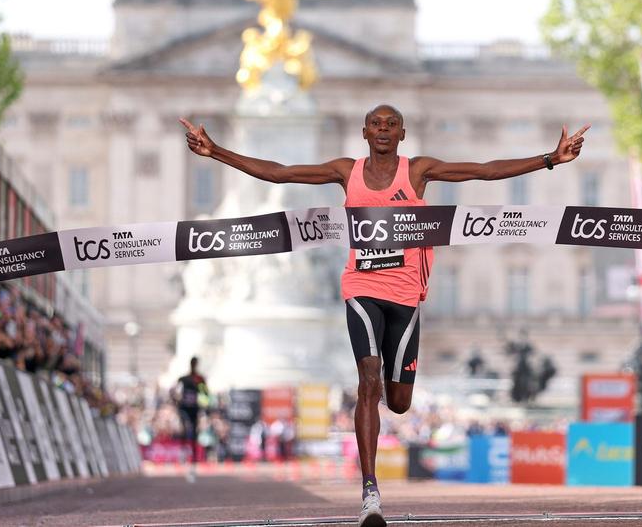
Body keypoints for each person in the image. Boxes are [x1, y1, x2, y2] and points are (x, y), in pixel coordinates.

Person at [180, 105, 588, 526]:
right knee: (368, 380)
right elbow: (281, 173)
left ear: (402, 134)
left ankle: (385, 425)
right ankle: (370, 490)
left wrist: (549, 160)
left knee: (399, 401)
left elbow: (483, 170)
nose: (383, 130)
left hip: (407, 295)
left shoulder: (417, 172)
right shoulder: (346, 171)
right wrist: (217, 152)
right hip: (361, 287)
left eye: (391, 125)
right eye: (376, 124)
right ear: (363, 131)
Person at [171, 356, 209, 483]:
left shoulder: (200, 379)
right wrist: (176, 401)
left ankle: (192, 460)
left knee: (193, 433)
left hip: (194, 409)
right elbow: (173, 390)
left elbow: (206, 393)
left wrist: (204, 402)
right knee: (184, 428)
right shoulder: (183, 378)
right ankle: (183, 452)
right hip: (184, 408)